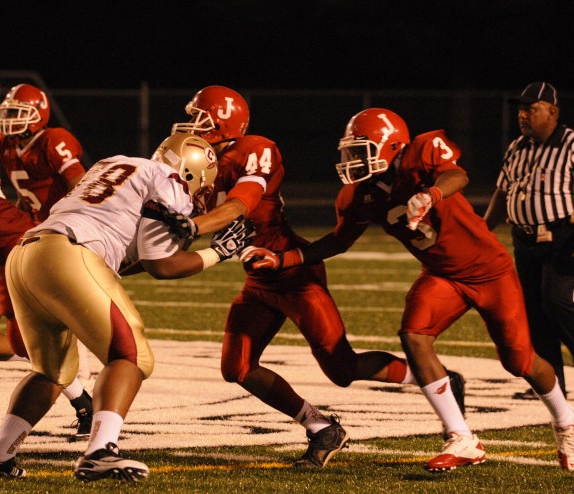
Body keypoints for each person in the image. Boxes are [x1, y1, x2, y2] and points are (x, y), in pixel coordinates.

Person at [243, 107, 574, 472]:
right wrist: (284, 259)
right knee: (414, 336)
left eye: (361, 150)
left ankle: (566, 422)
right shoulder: (360, 196)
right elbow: (337, 242)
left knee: (520, 361)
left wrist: (430, 194)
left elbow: (456, 175)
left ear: (390, 145)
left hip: (489, 272)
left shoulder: (422, 151)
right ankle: (461, 437)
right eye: (350, 152)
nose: (352, 160)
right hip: (441, 274)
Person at [170, 86, 465, 469]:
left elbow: (236, 207)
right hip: (259, 279)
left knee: (341, 369)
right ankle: (321, 427)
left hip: (294, 272)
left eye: (201, 118)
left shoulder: (255, 150)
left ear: (224, 124)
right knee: (237, 369)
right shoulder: (196, 159)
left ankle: (436, 377)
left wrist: (191, 227)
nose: (192, 125)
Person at [0, 132, 254, 481]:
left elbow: (122, 257)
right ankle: (100, 451)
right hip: (69, 253)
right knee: (131, 356)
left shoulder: (114, 165)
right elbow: (161, 264)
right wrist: (217, 253)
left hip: (26, 255)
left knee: (52, 371)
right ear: (190, 173)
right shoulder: (169, 181)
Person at [0, 133, 93, 441]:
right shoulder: (5, 144)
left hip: (8, 247)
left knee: (26, 342)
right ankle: (80, 395)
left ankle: (82, 398)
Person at [0, 82, 94, 384]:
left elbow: (82, 185)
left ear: (38, 114)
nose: (10, 118)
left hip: (65, 229)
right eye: (8, 112)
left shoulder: (54, 140)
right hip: (38, 227)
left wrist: (76, 225)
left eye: (18, 112)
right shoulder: (5, 145)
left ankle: (81, 360)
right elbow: (26, 193)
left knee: (60, 294)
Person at [484, 82, 574, 401]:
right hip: (524, 240)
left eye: (531, 108)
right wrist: (482, 230)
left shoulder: (571, 144)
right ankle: (552, 386)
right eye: (521, 109)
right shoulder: (517, 147)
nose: (523, 115)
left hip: (562, 239)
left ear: (553, 112)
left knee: (558, 303)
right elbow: (502, 190)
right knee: (535, 313)